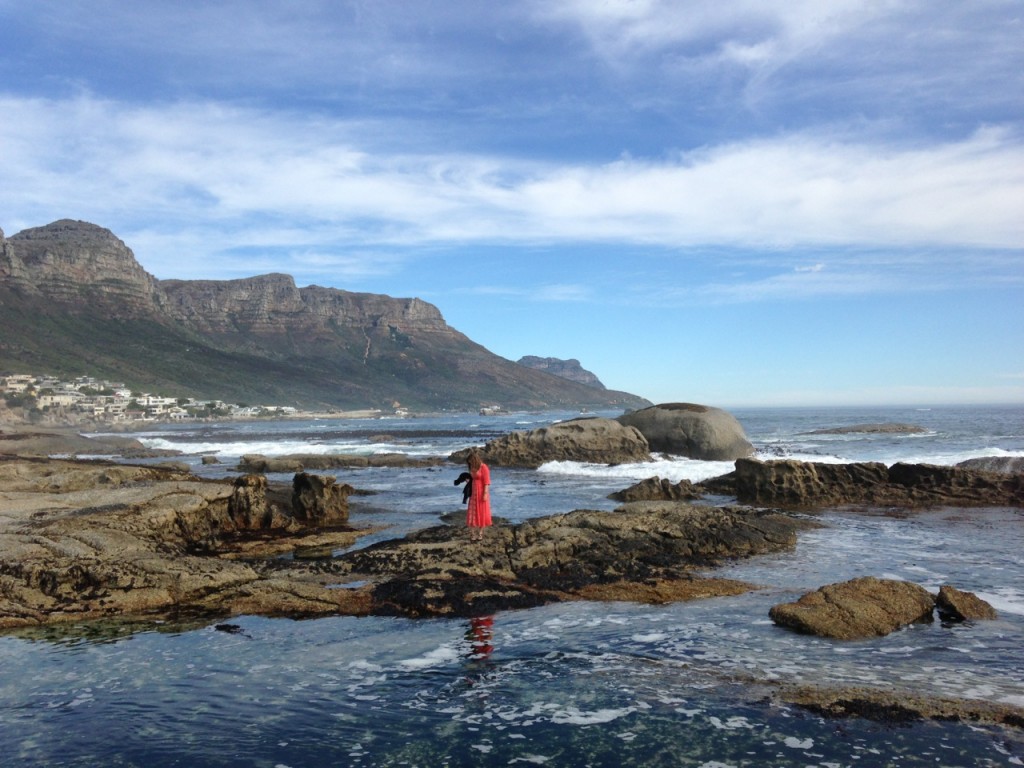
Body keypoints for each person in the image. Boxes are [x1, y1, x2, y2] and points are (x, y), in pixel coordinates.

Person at [465, 450, 491, 541]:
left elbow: (487, 482)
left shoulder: (483, 467)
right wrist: (469, 481)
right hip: (473, 493)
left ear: (475, 460)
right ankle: (472, 534)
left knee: (481, 512)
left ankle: (480, 534)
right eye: (469, 462)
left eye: (471, 461)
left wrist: (485, 494)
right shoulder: (472, 467)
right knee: (472, 512)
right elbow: (473, 478)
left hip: (481, 492)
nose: (470, 463)